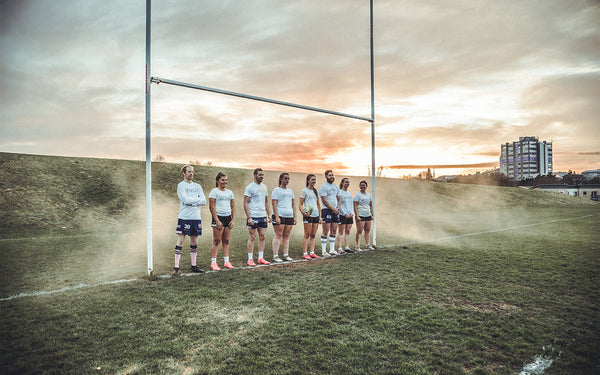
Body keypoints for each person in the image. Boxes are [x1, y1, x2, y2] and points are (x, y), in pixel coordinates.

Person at [174, 165, 206, 276]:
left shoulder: (198, 186)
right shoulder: (181, 186)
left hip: (196, 218)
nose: (191, 174)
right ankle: (176, 268)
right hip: (184, 217)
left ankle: (194, 266)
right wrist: (197, 200)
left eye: (192, 172)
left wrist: (192, 201)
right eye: (188, 172)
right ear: (183, 173)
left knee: (194, 241)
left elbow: (204, 201)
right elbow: (185, 200)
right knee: (181, 241)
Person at [244, 168, 271, 266]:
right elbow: (245, 203)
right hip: (253, 215)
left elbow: (266, 201)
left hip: (262, 215)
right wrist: (249, 217)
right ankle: (250, 259)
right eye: (260, 175)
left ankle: (261, 258)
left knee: (262, 236)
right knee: (252, 237)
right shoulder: (250, 187)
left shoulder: (265, 187)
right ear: (255, 175)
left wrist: (269, 214)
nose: (262, 176)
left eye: (263, 175)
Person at [208, 172, 235, 271]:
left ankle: (226, 261)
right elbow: (211, 207)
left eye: (226, 180)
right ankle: (213, 263)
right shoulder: (214, 192)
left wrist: (233, 219)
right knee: (217, 240)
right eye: (223, 180)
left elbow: (233, 207)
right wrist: (217, 220)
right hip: (218, 217)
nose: (225, 182)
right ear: (217, 181)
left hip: (228, 218)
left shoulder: (230, 193)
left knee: (226, 241)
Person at [271, 173, 296, 263]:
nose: (287, 180)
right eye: (285, 178)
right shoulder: (276, 190)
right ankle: (275, 256)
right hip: (279, 215)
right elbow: (274, 203)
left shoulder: (290, 191)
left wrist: (294, 216)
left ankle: (286, 255)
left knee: (286, 236)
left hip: (289, 215)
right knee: (278, 235)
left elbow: (293, 204)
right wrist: (277, 217)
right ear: (281, 179)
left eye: (288, 178)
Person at [319, 170, 342, 257]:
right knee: (325, 231)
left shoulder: (336, 187)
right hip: (326, 210)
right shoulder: (323, 187)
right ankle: (324, 251)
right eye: (329, 175)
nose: (331, 176)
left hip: (335, 211)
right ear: (326, 176)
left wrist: (338, 208)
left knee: (334, 230)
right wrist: (333, 209)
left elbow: (339, 199)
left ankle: (332, 250)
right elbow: (324, 201)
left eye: (332, 175)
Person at [299, 174, 322, 260]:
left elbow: (318, 205)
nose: (314, 181)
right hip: (308, 216)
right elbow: (300, 205)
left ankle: (312, 253)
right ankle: (305, 253)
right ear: (308, 180)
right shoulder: (304, 191)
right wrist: (303, 213)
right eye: (312, 180)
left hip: (316, 215)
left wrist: (320, 216)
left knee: (313, 234)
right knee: (307, 234)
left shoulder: (316, 191)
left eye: (315, 180)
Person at [354, 180, 375, 251]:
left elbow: (371, 205)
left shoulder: (369, 195)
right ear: (359, 186)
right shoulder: (357, 195)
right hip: (360, 215)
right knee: (359, 231)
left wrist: (372, 214)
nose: (362, 186)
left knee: (367, 230)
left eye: (364, 185)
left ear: (366, 186)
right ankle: (357, 246)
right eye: (361, 185)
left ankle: (368, 244)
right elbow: (355, 206)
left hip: (368, 215)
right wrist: (357, 215)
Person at [336, 177, 355, 254]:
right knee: (340, 232)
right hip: (342, 215)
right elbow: (339, 205)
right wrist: (344, 214)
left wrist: (351, 213)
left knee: (347, 232)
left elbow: (351, 204)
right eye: (346, 182)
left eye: (348, 182)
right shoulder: (339, 192)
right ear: (342, 183)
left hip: (349, 215)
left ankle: (347, 247)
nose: (347, 183)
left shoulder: (349, 193)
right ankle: (340, 248)